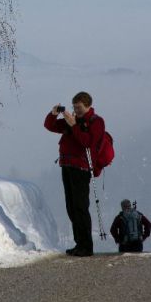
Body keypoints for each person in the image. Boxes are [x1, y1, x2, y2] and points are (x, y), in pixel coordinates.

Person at [44, 91, 105, 257]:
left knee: (80, 207)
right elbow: (49, 126)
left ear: (88, 106)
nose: (76, 111)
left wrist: (74, 126)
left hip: (82, 169)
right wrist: (53, 114)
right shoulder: (74, 121)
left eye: (79, 108)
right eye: (74, 107)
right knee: (71, 207)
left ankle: (86, 246)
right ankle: (80, 244)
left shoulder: (96, 122)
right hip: (67, 166)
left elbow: (87, 142)